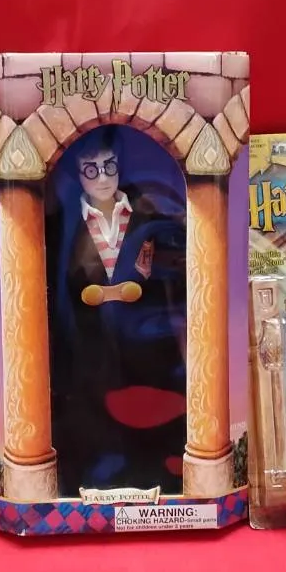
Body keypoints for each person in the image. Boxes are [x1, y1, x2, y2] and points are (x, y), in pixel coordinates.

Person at [46, 126, 186, 495]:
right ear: (78, 174)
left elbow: (176, 275)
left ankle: (155, 481)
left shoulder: (147, 213)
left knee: (152, 434)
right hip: (88, 353)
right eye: (91, 169)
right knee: (93, 433)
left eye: (110, 166)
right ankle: (93, 481)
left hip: (148, 351)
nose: (103, 177)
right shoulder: (63, 225)